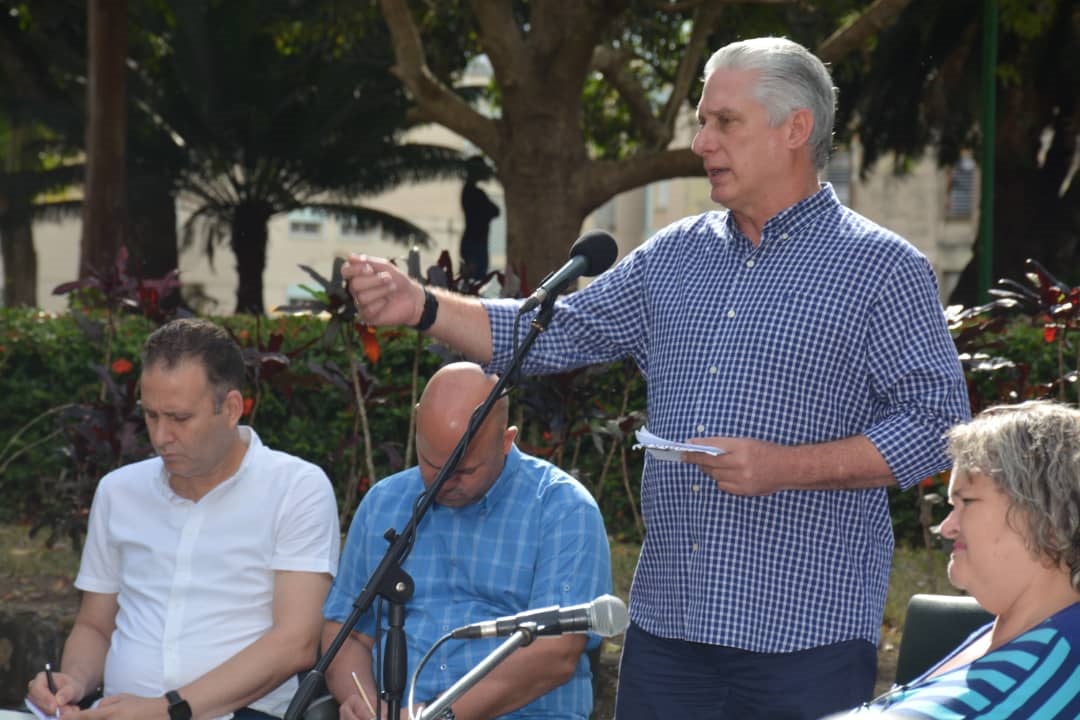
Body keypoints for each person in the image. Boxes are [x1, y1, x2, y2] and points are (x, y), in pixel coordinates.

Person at [340, 36, 970, 719]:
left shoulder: (881, 269)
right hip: (668, 633)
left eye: (724, 122)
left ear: (796, 129)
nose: (702, 141)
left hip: (803, 638)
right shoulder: (675, 254)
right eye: (701, 121)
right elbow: (551, 332)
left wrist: (788, 467)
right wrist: (423, 306)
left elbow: (938, 426)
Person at [25, 318, 341, 720]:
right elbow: (95, 627)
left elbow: (295, 642)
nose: (160, 436)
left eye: (179, 418)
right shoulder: (119, 491)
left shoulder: (296, 488)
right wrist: (72, 682)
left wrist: (166, 710)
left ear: (230, 409)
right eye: (151, 415)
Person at [321, 362, 612, 720]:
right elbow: (346, 634)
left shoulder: (562, 508)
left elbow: (556, 654)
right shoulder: (385, 502)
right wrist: (366, 705)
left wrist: (432, 715)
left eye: (463, 471)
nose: (443, 482)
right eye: (431, 463)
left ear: (506, 440)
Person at [839, 400, 1080, 718]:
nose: (947, 527)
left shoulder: (1023, 680)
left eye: (966, 501)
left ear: (1049, 519)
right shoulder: (1021, 629)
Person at [460, 156, 501, 281]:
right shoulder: (474, 193)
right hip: (475, 242)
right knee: (475, 280)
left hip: (475, 241)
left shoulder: (471, 192)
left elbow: (494, 211)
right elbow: (494, 211)